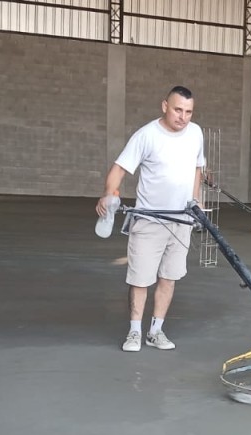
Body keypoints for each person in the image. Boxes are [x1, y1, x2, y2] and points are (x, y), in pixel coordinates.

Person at [96, 86, 205, 352]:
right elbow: (119, 169)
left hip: (181, 220)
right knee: (140, 279)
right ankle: (134, 332)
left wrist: (196, 199)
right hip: (149, 220)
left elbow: (197, 168)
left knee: (169, 277)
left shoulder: (196, 133)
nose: (183, 117)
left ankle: (155, 332)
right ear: (164, 106)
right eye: (178, 110)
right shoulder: (146, 135)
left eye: (188, 112)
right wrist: (108, 194)